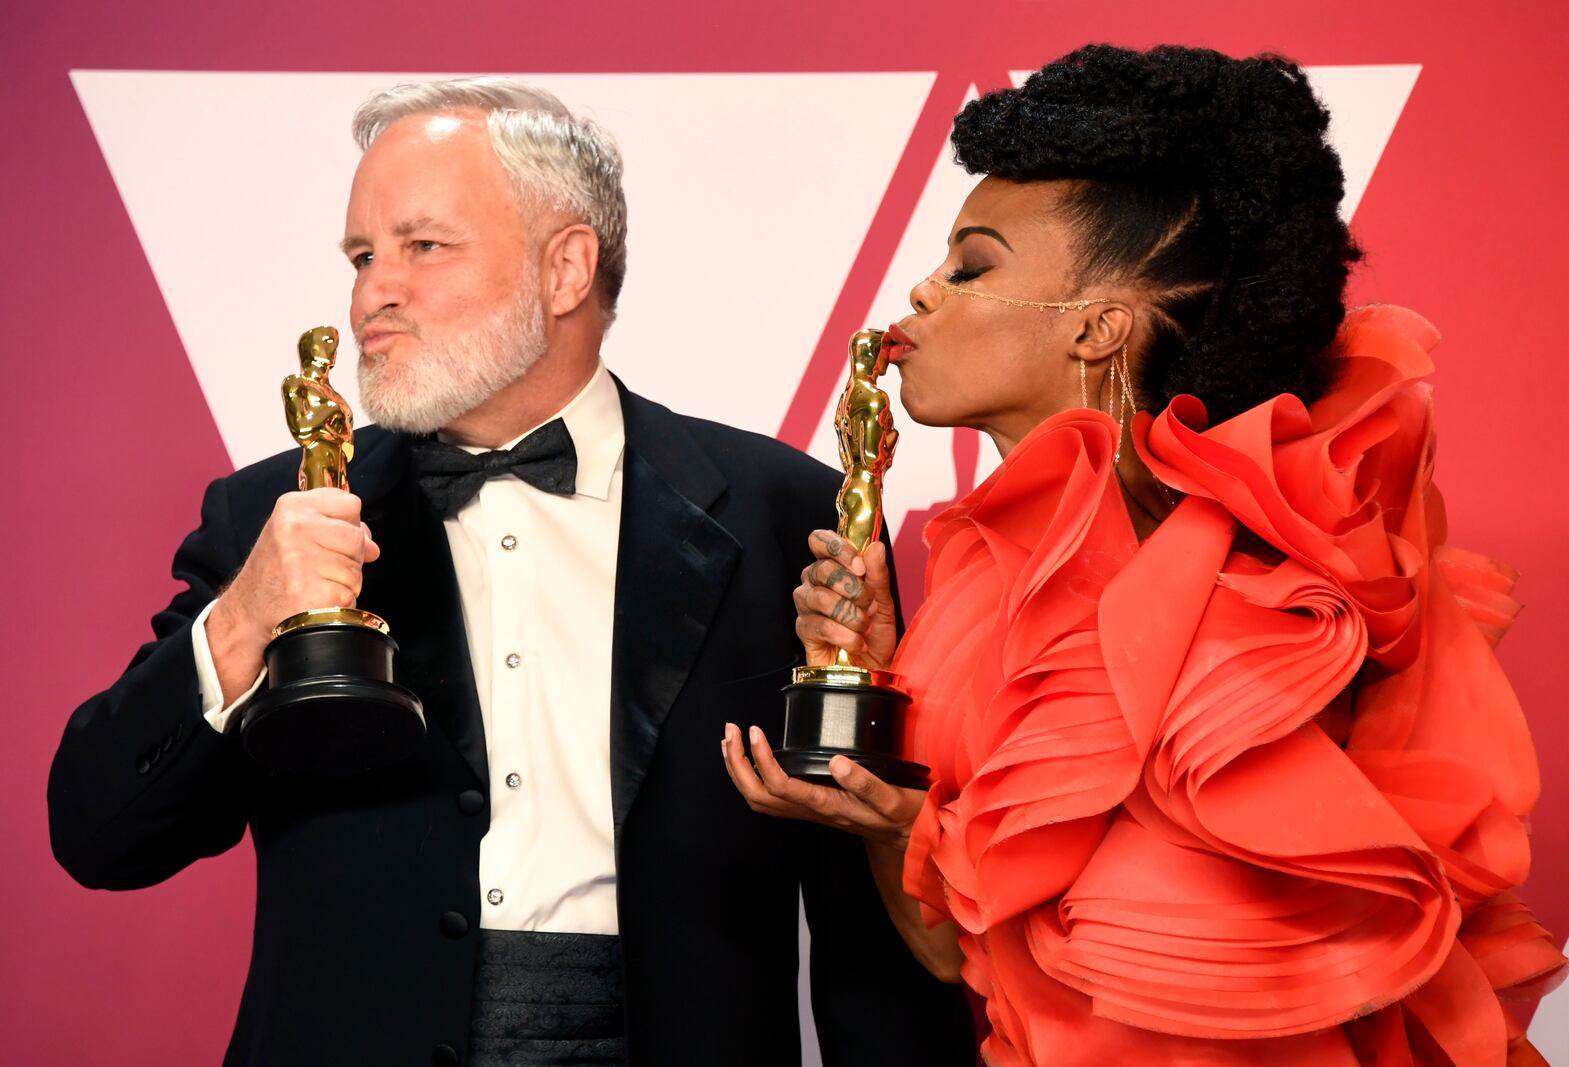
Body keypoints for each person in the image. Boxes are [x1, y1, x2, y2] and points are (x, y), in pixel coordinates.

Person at [48, 77, 974, 1067]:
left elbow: (870, 907)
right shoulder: (273, 515)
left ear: (567, 266)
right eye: (362, 256)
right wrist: (244, 619)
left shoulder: (788, 508)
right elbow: (102, 833)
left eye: (422, 246)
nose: (371, 293)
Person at [724, 45, 1569, 1065]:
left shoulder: (1244, 608)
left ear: (1099, 328)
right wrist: (887, 808)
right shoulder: (973, 590)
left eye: (971, 264)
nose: (923, 289)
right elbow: (961, 956)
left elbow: (1185, 997)